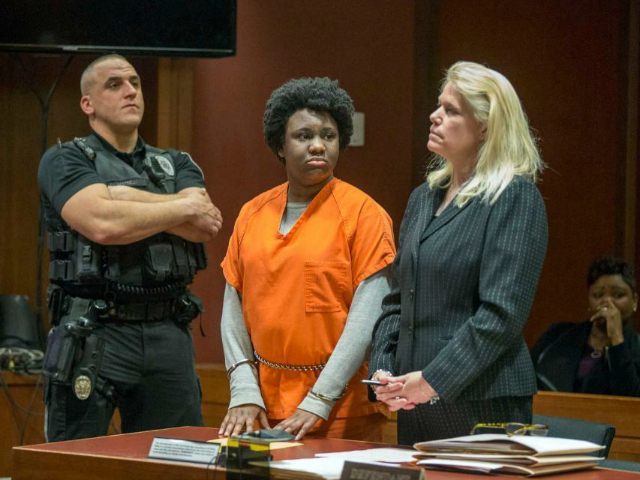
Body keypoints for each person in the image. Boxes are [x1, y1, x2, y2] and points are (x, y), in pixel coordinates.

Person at [38, 54, 223, 441]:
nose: (130, 91)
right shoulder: (64, 159)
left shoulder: (177, 162)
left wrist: (120, 196)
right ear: (87, 104)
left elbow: (205, 222)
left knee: (178, 462)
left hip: (168, 330)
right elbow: (102, 224)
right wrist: (179, 206)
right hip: (93, 330)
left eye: (135, 83)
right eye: (114, 84)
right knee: (77, 464)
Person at [368, 61, 548, 445]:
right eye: (439, 106)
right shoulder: (422, 199)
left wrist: (431, 381)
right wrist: (384, 371)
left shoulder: (515, 197)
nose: (434, 116)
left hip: (483, 403)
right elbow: (398, 300)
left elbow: (501, 316)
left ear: (485, 126)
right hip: (414, 401)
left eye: (451, 110)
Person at [218, 77, 395, 441]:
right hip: (262, 410)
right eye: (304, 135)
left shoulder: (365, 214)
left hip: (343, 411)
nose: (318, 145)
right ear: (280, 146)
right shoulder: (252, 213)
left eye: (329, 136)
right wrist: (244, 390)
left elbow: (366, 319)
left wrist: (319, 398)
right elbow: (233, 303)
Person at [531, 256, 640, 396]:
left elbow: (632, 402)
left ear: (634, 301)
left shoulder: (637, 347)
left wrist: (616, 339)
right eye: (598, 295)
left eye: (618, 295)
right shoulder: (557, 336)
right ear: (589, 301)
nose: (607, 302)